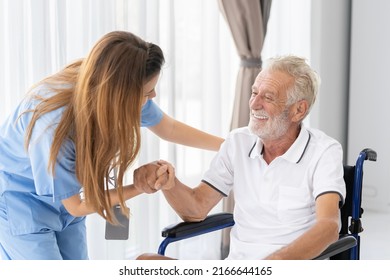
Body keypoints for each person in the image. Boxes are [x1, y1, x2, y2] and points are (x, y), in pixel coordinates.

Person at [0, 31, 223, 260]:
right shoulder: (54, 126)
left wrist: (229, 145)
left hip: (66, 202)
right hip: (21, 204)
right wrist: (141, 186)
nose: (153, 95)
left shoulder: (117, 90)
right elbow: (76, 206)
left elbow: (170, 129)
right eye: (147, 92)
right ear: (121, 94)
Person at [134, 55, 346, 260]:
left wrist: (277, 263)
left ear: (298, 110)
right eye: (254, 93)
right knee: (146, 262)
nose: (254, 104)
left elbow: (329, 226)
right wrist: (170, 184)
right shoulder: (238, 142)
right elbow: (196, 209)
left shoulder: (324, 151)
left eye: (268, 97)